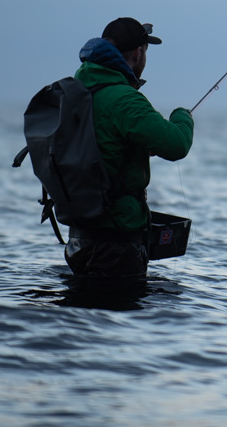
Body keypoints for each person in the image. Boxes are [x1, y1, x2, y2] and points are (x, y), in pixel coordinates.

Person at [65, 17, 194, 280]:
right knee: (118, 314)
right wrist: (183, 116)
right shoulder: (124, 99)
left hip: (79, 239)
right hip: (116, 242)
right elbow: (176, 144)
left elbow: (102, 145)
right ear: (138, 53)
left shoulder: (77, 90)